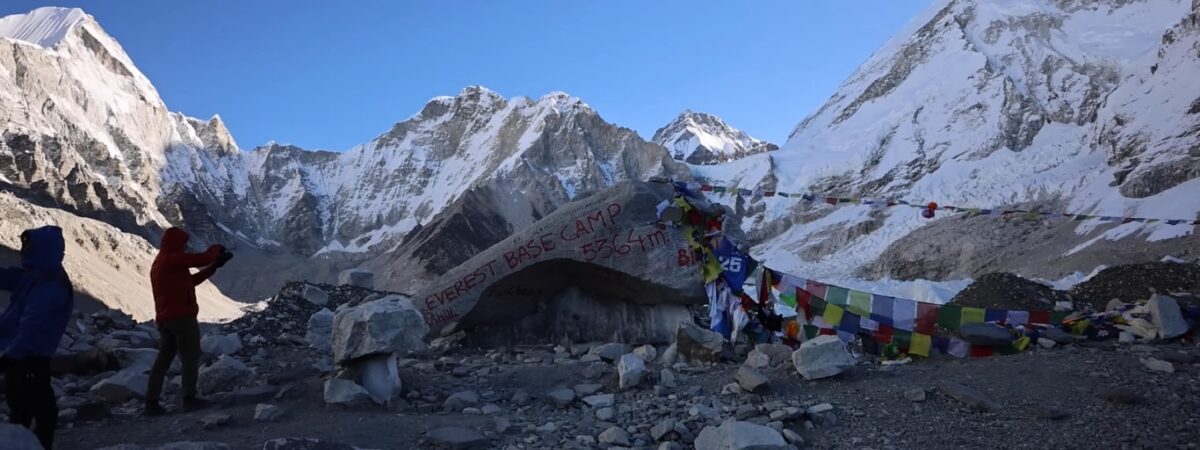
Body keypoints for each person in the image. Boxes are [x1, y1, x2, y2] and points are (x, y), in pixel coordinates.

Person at [0, 226, 75, 449]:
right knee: (38, 409)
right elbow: (9, 278)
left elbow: (33, 325)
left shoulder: (49, 284)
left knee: (33, 410)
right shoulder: (39, 276)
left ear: (41, 250)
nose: (23, 251)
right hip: (28, 355)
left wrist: (11, 355)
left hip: (27, 355)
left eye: (28, 246)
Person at [144, 227, 232, 415]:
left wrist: (213, 267)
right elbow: (200, 258)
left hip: (165, 319)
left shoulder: (163, 262)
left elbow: (191, 281)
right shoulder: (172, 258)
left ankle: (151, 402)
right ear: (176, 243)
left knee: (163, 359)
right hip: (181, 318)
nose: (185, 247)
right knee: (190, 357)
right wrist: (215, 250)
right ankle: (189, 398)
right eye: (183, 243)